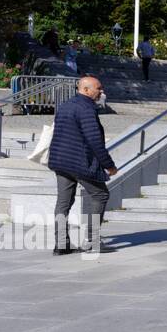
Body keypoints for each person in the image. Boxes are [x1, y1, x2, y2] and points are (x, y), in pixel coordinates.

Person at [46, 76, 118, 255]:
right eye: (98, 88)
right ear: (86, 90)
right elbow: (94, 140)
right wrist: (109, 165)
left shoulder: (66, 105)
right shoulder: (86, 108)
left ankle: (61, 244)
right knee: (101, 194)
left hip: (60, 161)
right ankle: (93, 241)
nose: (101, 91)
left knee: (63, 203)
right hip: (79, 162)